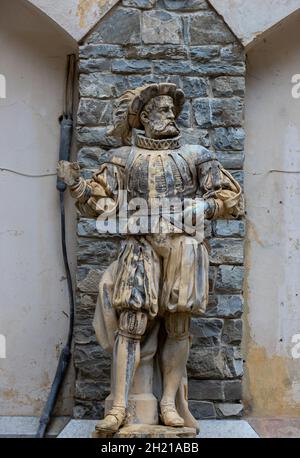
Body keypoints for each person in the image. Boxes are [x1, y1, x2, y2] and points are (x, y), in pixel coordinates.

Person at [57, 83, 243, 434]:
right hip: (140, 243)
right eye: (160, 108)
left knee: (178, 326)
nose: (170, 113)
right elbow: (99, 202)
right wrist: (79, 186)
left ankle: (169, 403)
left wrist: (206, 204)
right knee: (131, 323)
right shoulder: (123, 158)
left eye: (171, 108)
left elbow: (231, 196)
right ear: (142, 117)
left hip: (184, 246)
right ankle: (118, 407)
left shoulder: (195, 154)